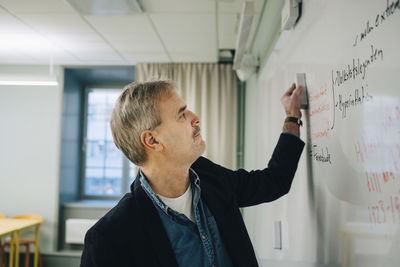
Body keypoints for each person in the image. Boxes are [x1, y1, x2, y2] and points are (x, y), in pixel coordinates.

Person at [80, 80, 305, 267]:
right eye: (181, 115)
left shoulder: (209, 177)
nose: (195, 118)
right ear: (152, 140)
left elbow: (274, 181)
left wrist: (292, 118)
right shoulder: (108, 238)